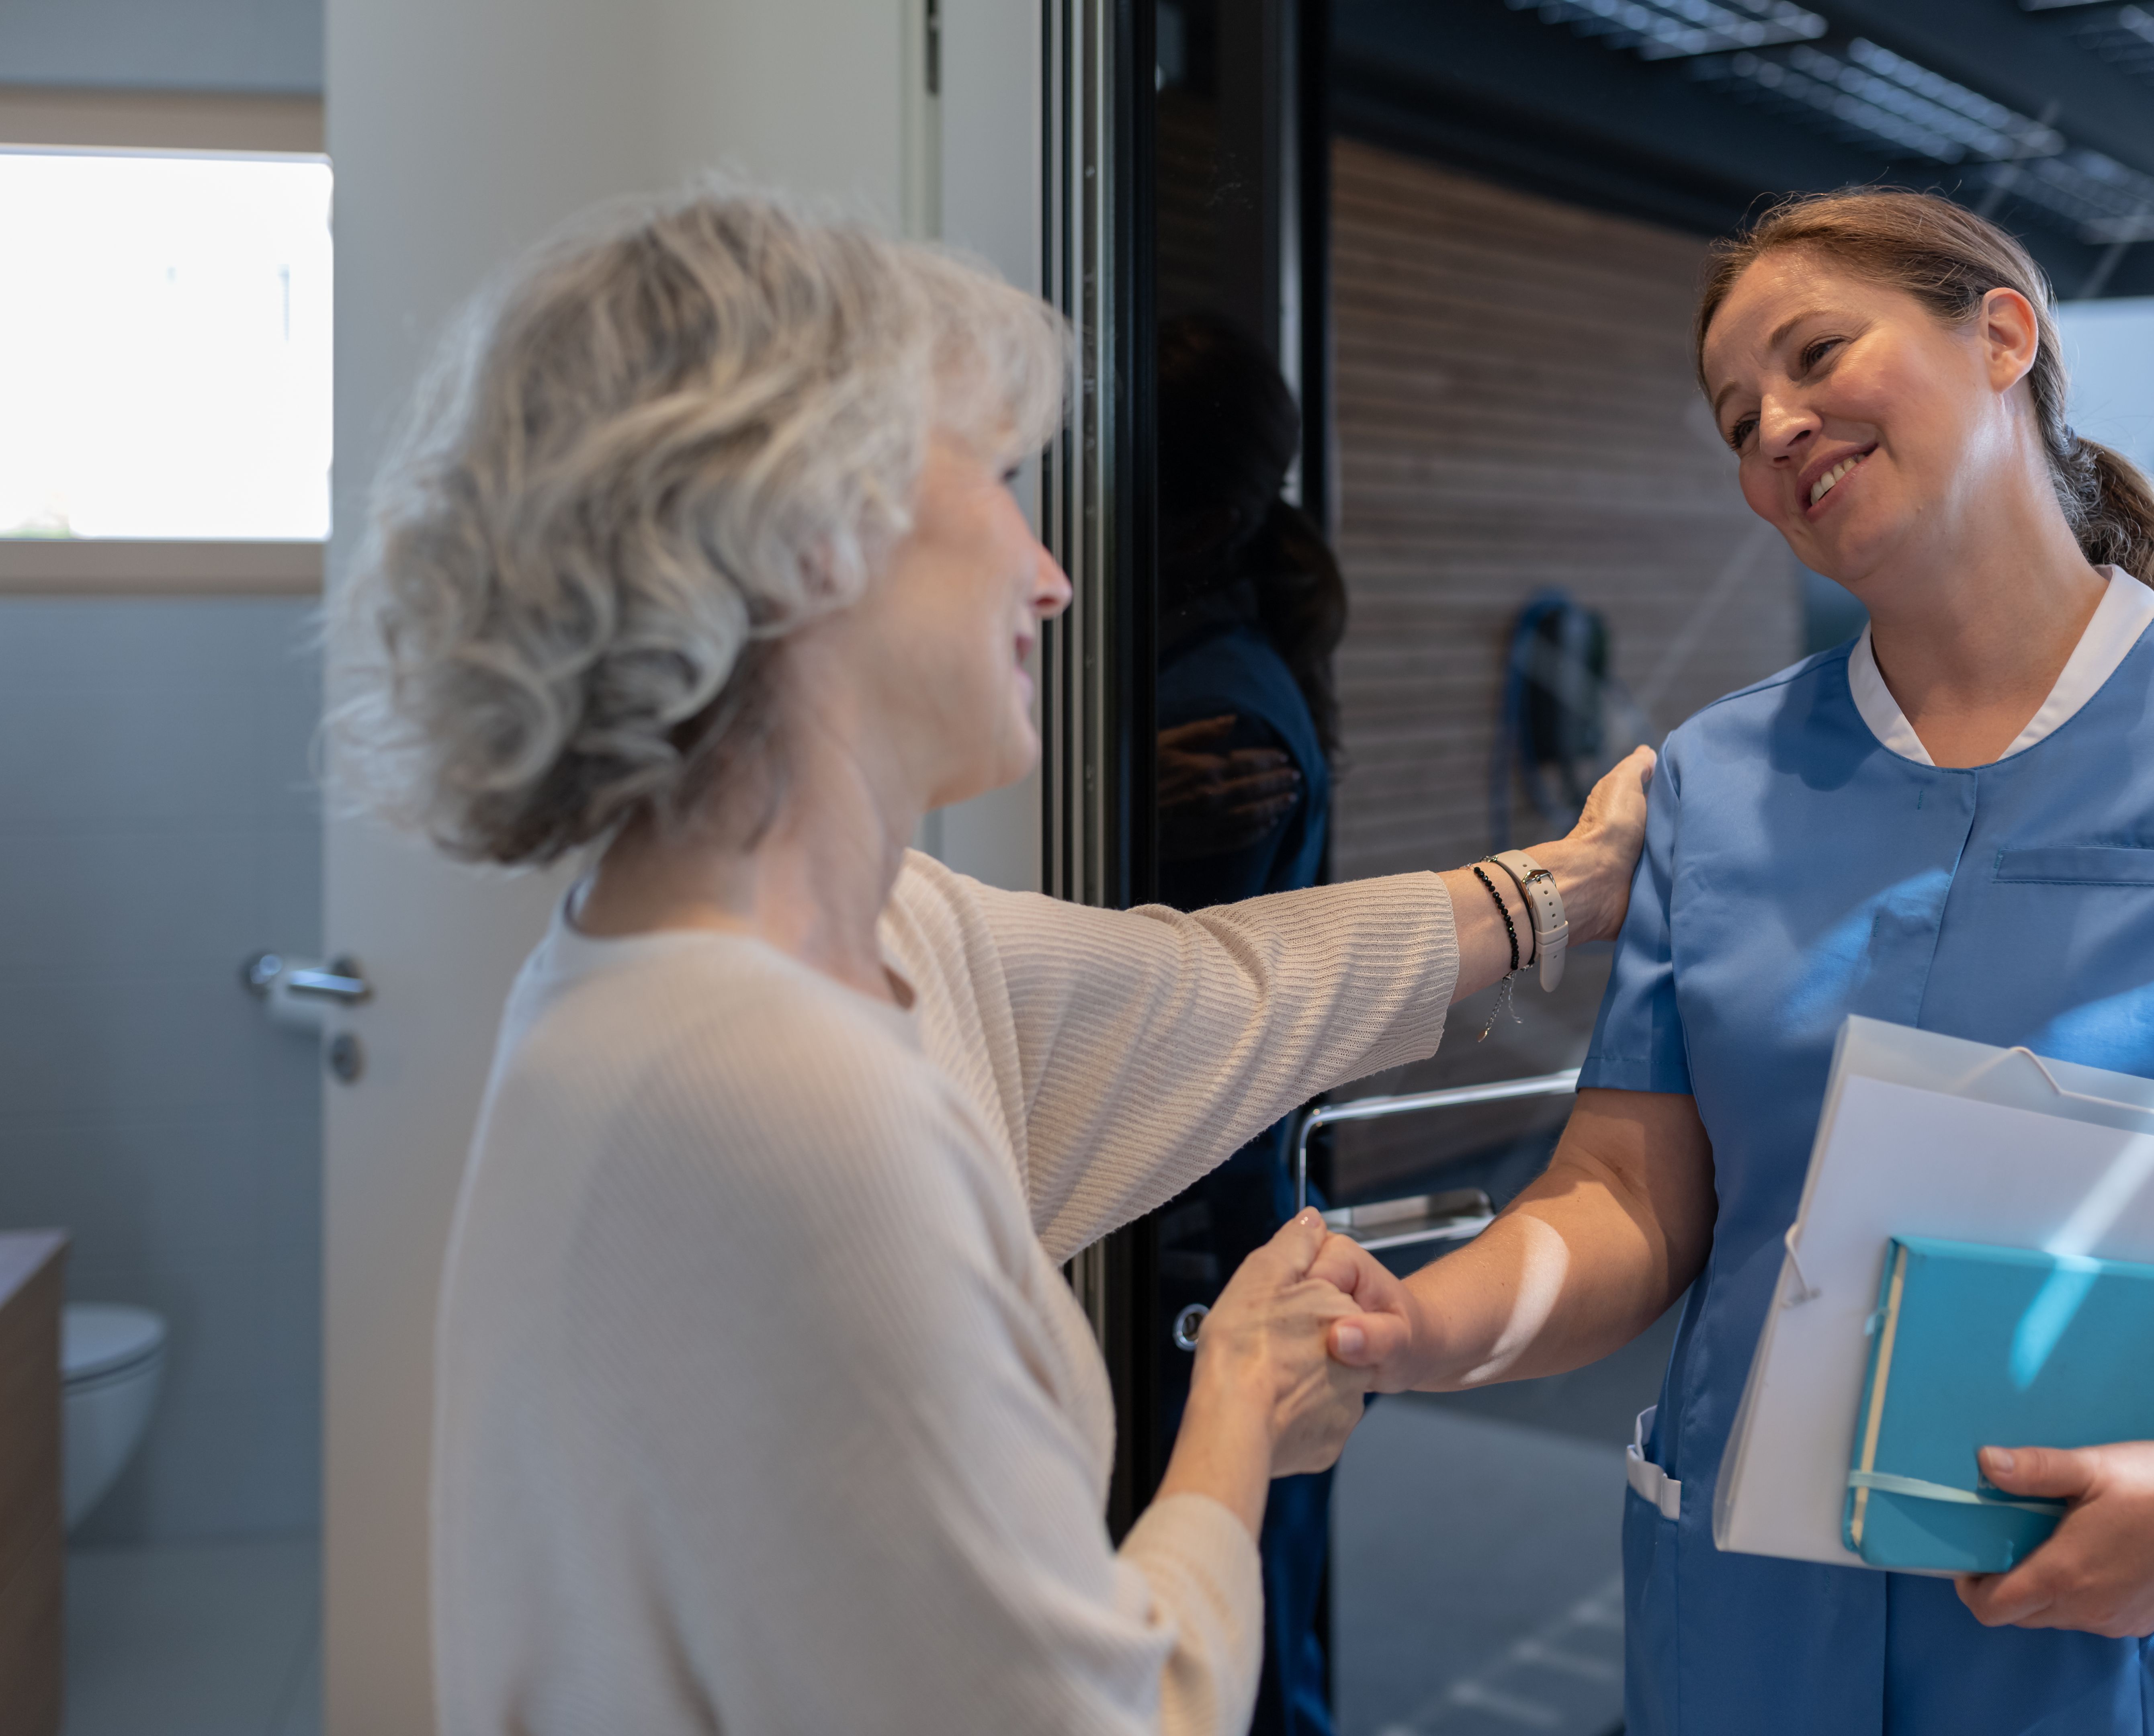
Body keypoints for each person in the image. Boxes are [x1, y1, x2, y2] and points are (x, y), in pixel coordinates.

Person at [336, 188, 1654, 1736]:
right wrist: (1239, 1410)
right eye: (1000, 483)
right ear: (809, 531)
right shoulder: (778, 1095)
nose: (1052, 575)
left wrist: (1561, 891)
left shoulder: (848, 937)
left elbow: (1213, 994)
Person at [1315, 187, 2154, 1734]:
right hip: (1756, 1635)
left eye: (1817, 355)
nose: (1776, 427)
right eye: (1737, 418)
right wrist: (1417, 1326)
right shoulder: (1718, 781)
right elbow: (1626, 1198)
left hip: (2127, 1649)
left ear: (2003, 335)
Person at [1149, 310, 1355, 1736]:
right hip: (1202, 1232)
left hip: (1193, 1250)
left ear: (1202, 520)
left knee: (1236, 1664)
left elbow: (1167, 1016)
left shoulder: (1215, 728)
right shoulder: (1166, 704)